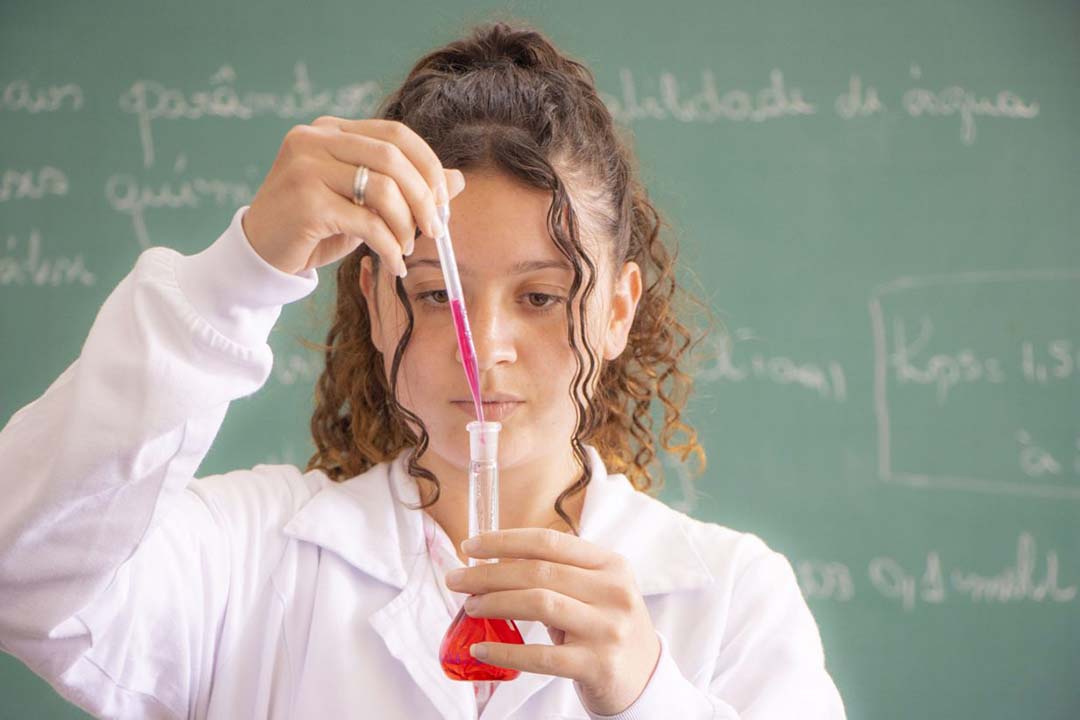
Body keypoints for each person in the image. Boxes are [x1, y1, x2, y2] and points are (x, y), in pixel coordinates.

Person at [0, 19, 846, 720]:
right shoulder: (248, 562)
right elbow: (25, 575)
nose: (487, 347)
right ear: (376, 301)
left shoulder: (731, 600)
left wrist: (650, 697)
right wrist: (239, 274)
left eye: (541, 297)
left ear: (617, 311)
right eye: (437, 294)